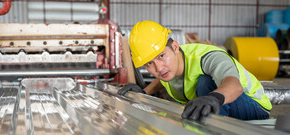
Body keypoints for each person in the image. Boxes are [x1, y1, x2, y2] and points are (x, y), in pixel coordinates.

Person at [117, 21, 272, 121]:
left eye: (161, 56)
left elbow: (234, 85)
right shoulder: (169, 67)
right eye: (149, 63)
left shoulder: (207, 57)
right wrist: (144, 92)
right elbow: (162, 80)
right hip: (221, 102)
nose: (158, 68)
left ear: (175, 47)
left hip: (254, 106)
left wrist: (214, 97)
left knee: (205, 83)